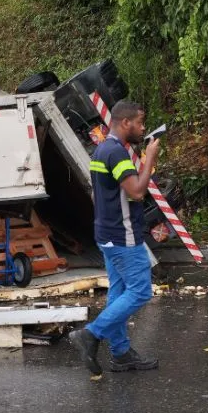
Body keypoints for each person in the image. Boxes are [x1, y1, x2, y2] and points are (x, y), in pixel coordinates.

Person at [69, 100, 161, 375]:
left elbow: (98, 194)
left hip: (106, 234)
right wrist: (150, 159)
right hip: (123, 237)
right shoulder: (118, 154)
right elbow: (136, 192)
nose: (142, 128)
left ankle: (120, 353)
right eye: (140, 122)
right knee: (141, 290)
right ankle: (91, 334)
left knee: (119, 293)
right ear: (125, 123)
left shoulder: (101, 151)